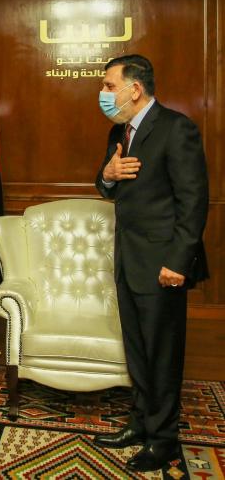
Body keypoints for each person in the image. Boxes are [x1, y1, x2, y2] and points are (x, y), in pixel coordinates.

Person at [94, 55, 209, 472]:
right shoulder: (119, 131)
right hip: (129, 260)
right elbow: (107, 185)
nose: (104, 94)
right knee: (138, 350)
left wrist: (178, 261)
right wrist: (107, 174)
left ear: (134, 88)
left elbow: (193, 200)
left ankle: (164, 440)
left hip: (163, 265)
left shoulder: (177, 128)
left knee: (163, 355)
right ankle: (140, 424)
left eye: (109, 85)